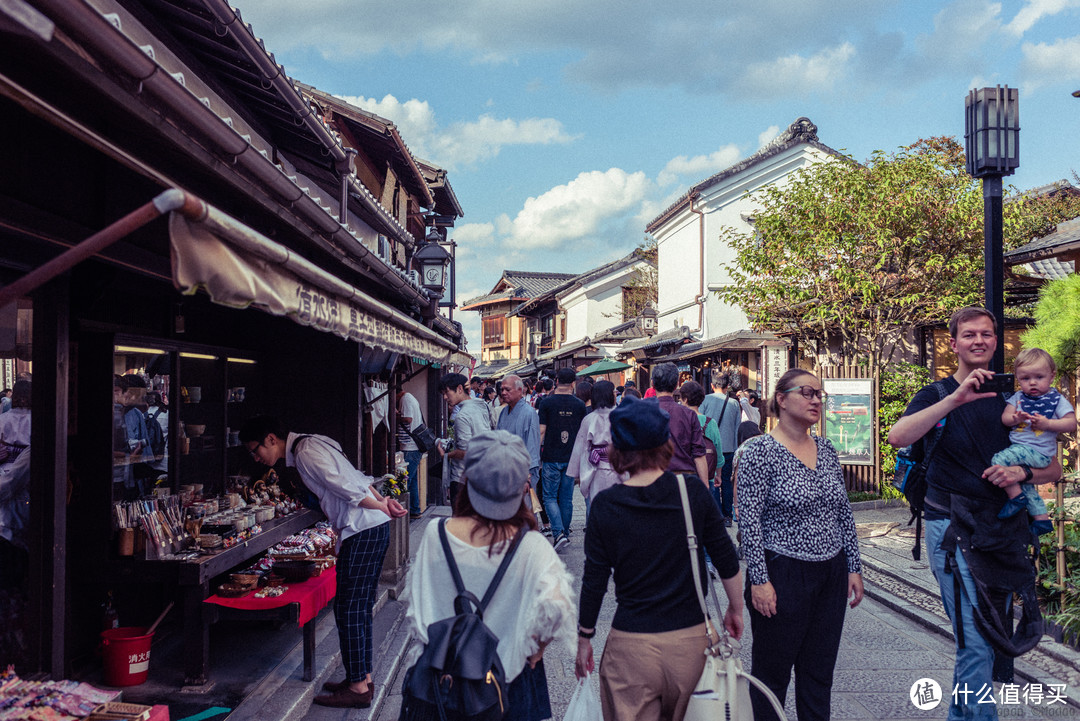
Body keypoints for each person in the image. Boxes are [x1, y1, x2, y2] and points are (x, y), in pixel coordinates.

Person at [888, 307, 1061, 721]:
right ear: (954, 343)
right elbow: (898, 436)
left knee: (981, 637)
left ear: (996, 341)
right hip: (951, 527)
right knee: (979, 638)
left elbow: (1054, 468)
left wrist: (1020, 471)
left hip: (1001, 531)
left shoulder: (1016, 398)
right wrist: (955, 398)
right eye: (969, 335)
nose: (978, 341)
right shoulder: (937, 394)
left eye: (986, 334)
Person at [575, 396, 744, 721]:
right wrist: (735, 610)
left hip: (630, 645)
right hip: (692, 641)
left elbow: (594, 579)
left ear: (616, 448)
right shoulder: (692, 491)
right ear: (665, 443)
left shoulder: (606, 506)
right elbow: (726, 558)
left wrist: (585, 638)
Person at [401, 430, 576, 721]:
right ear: (523, 487)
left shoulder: (436, 534)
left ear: (467, 480)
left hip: (441, 680)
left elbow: (418, 605)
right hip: (508, 682)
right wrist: (537, 648)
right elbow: (557, 610)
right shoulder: (532, 545)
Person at [239, 416, 407, 709]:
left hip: (362, 529)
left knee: (349, 606)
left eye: (255, 450)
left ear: (270, 439)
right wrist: (384, 501)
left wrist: (382, 504)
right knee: (357, 605)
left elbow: (346, 486)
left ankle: (357, 686)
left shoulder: (305, 452)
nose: (256, 458)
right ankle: (361, 677)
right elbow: (356, 477)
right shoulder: (315, 440)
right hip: (370, 527)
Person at [736, 368, 864, 721]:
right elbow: (748, 522)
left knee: (818, 673)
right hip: (782, 571)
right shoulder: (759, 451)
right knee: (771, 675)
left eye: (819, 395)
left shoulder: (826, 449)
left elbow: (843, 512)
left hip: (830, 571)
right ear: (781, 398)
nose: (816, 400)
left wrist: (854, 566)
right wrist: (759, 581)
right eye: (807, 392)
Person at [994, 347, 1072, 535]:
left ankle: (1015, 498)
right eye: (1025, 379)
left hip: (1038, 452)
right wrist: (1016, 419)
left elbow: (1071, 424)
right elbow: (1006, 418)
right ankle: (1041, 520)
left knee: (998, 462)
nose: (1032, 383)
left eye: (1039, 377)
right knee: (1027, 486)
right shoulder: (1018, 397)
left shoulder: (1055, 399)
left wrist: (1048, 423)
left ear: (1052, 376)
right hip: (1023, 450)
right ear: (1018, 378)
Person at [538, 368, 587, 552]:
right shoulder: (579, 405)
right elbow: (582, 435)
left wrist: (535, 455)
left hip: (551, 456)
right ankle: (563, 534)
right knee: (566, 499)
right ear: (573, 383)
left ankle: (558, 533)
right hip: (572, 457)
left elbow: (541, 431)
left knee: (549, 496)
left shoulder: (546, 403)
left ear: (556, 381)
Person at [437, 373, 492, 508]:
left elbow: (465, 452)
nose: (445, 397)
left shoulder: (462, 416)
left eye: (447, 392)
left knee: (460, 525)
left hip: (463, 478)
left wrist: (446, 455)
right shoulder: (482, 406)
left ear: (460, 389)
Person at [648, 363, 709, 483]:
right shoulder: (689, 414)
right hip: (684, 480)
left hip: (651, 479)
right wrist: (705, 485)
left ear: (652, 384)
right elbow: (699, 454)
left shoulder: (642, 412)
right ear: (677, 385)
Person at [567, 380, 621, 507]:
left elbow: (580, 447)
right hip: (618, 466)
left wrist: (577, 473)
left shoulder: (589, 419)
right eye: (613, 392)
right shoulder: (621, 416)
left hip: (596, 469)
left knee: (597, 505)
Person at [700, 372, 740, 524]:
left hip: (710, 448)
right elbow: (737, 428)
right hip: (729, 447)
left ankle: (717, 515)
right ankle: (728, 516)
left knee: (712, 480)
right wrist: (736, 448)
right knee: (727, 481)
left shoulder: (705, 400)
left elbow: (701, 421)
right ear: (727, 386)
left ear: (712, 385)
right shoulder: (734, 403)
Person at [497, 374, 541, 491]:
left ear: (520, 390)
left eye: (507, 389)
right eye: (502, 390)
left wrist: (528, 476)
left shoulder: (529, 413)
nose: (503, 393)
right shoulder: (503, 412)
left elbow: (532, 446)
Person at [678, 380, 724, 492]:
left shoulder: (680, 421)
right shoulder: (711, 423)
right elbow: (718, 453)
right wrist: (718, 474)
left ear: (685, 399)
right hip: (708, 477)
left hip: (684, 477)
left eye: (680, 398)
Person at [119, 374, 152, 496]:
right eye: (137, 394)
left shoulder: (136, 414)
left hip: (132, 477)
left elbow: (146, 453)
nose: (140, 398)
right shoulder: (115, 413)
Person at [396, 388, 425, 519]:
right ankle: (414, 509)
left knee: (405, 479)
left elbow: (408, 419)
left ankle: (403, 512)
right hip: (413, 446)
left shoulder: (405, 399)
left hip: (410, 446)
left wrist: (395, 415)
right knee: (411, 480)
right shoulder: (410, 398)